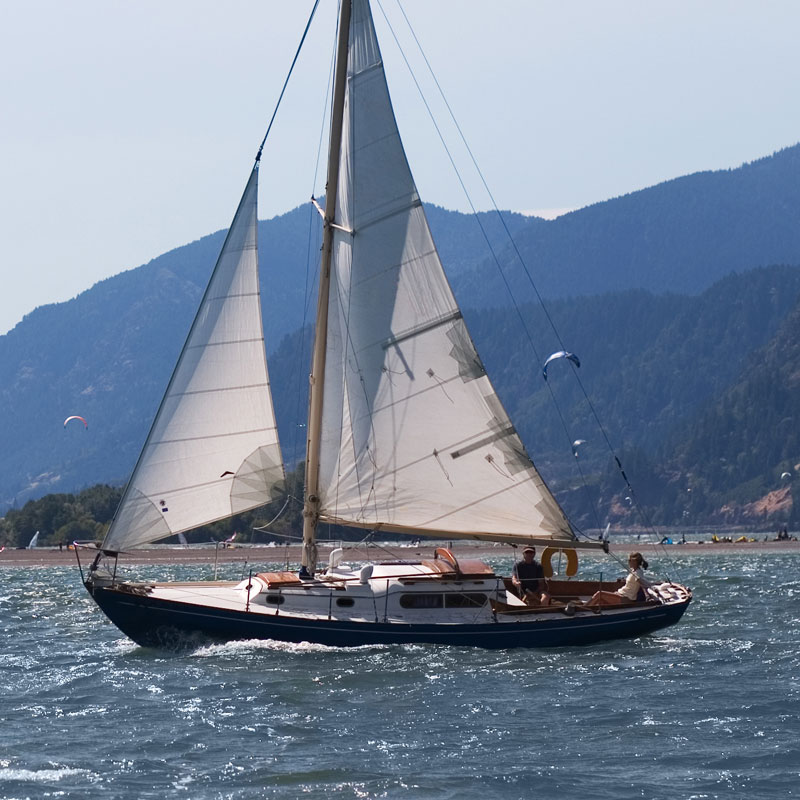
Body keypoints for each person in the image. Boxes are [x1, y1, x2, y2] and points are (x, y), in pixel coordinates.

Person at [585, 552, 651, 607]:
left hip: (626, 598)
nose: (628, 562)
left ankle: (584, 608)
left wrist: (648, 595)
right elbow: (632, 582)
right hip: (621, 594)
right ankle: (588, 609)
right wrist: (624, 581)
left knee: (600, 594)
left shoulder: (638, 572)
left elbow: (641, 582)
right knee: (601, 601)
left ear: (634, 561)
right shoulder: (633, 571)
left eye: (629, 560)